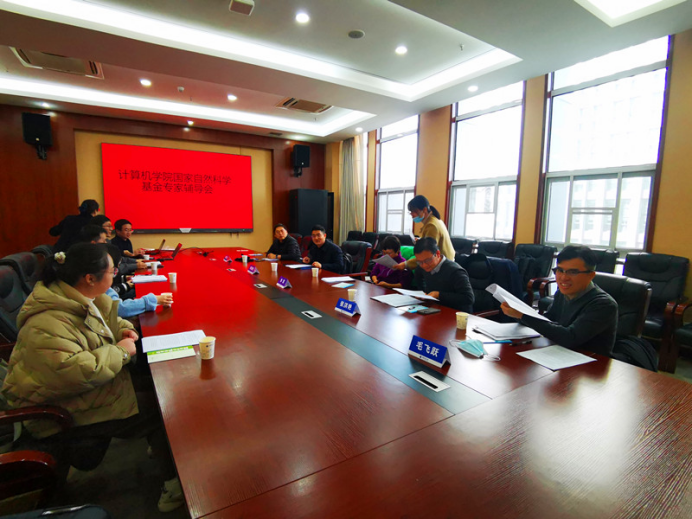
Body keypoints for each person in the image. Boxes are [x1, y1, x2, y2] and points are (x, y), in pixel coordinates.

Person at [1, 243, 184, 512]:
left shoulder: (77, 297)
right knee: (161, 408)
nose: (116, 275)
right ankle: (172, 486)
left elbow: (108, 322)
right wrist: (121, 351)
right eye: (112, 271)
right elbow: (73, 372)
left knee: (156, 386)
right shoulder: (48, 320)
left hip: (77, 392)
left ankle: (160, 447)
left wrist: (124, 330)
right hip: (58, 410)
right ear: (90, 278)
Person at [500, 245, 618, 356]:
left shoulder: (603, 304)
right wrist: (518, 312)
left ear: (590, 275)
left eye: (573, 272)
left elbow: (570, 338)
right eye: (560, 270)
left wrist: (523, 316)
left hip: (591, 363)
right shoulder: (563, 293)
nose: (563, 278)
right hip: (560, 353)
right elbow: (548, 320)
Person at [105, 245, 172, 318]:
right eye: (113, 271)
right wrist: (154, 300)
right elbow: (121, 308)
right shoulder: (102, 289)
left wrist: (124, 279)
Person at [393, 195, 455, 271]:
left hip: (443, 266)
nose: (412, 214)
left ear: (424, 210)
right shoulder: (433, 220)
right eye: (410, 212)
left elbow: (427, 253)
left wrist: (405, 264)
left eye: (414, 211)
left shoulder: (431, 225)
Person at [413, 237, 474, 312]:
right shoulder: (422, 267)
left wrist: (439, 295)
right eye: (419, 262)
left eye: (427, 260)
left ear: (437, 254)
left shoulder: (455, 271)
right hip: (436, 309)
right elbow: (418, 276)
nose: (424, 265)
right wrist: (422, 294)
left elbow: (468, 298)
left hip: (456, 313)